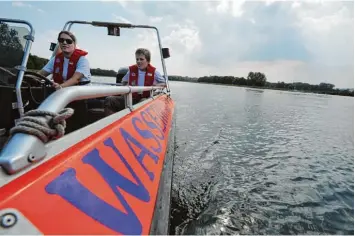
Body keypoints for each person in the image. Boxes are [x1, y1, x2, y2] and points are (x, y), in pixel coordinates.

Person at [104, 48, 166, 116]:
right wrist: (126, 86)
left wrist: (154, 86)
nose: (138, 61)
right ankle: (113, 122)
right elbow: (124, 82)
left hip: (145, 99)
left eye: (141, 59)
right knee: (109, 100)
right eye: (137, 59)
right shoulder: (131, 71)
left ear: (148, 61)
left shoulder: (154, 72)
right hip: (131, 98)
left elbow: (164, 83)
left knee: (142, 102)